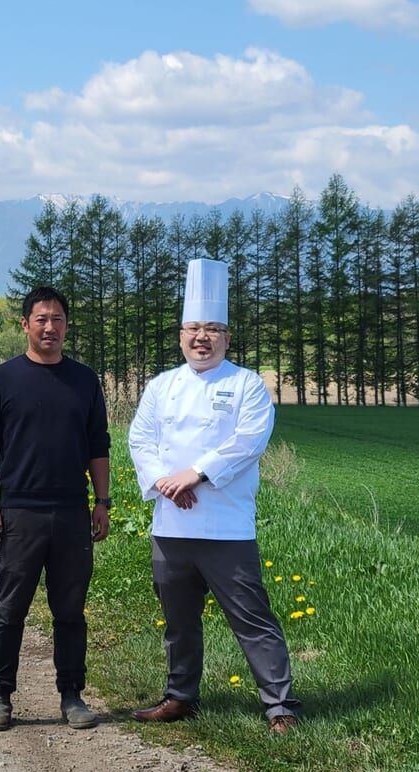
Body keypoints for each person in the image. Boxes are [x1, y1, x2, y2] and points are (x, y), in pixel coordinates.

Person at [127, 258, 301, 735]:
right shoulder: (162, 386)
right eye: (193, 329)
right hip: (171, 524)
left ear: (226, 338)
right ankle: (180, 696)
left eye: (212, 329)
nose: (201, 337)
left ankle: (279, 706)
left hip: (226, 525)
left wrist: (195, 475)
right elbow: (140, 439)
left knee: (252, 617)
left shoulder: (246, 384)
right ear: (180, 335)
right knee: (178, 620)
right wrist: (166, 480)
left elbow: (248, 441)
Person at [0, 286, 112, 732]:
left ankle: (72, 694)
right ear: (25, 325)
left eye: (58, 320)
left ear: (67, 326)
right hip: (20, 511)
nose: (50, 327)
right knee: (10, 609)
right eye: (41, 319)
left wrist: (102, 501)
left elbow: (98, 445)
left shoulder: (85, 380)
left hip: (72, 511)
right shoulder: (2, 379)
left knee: (70, 610)